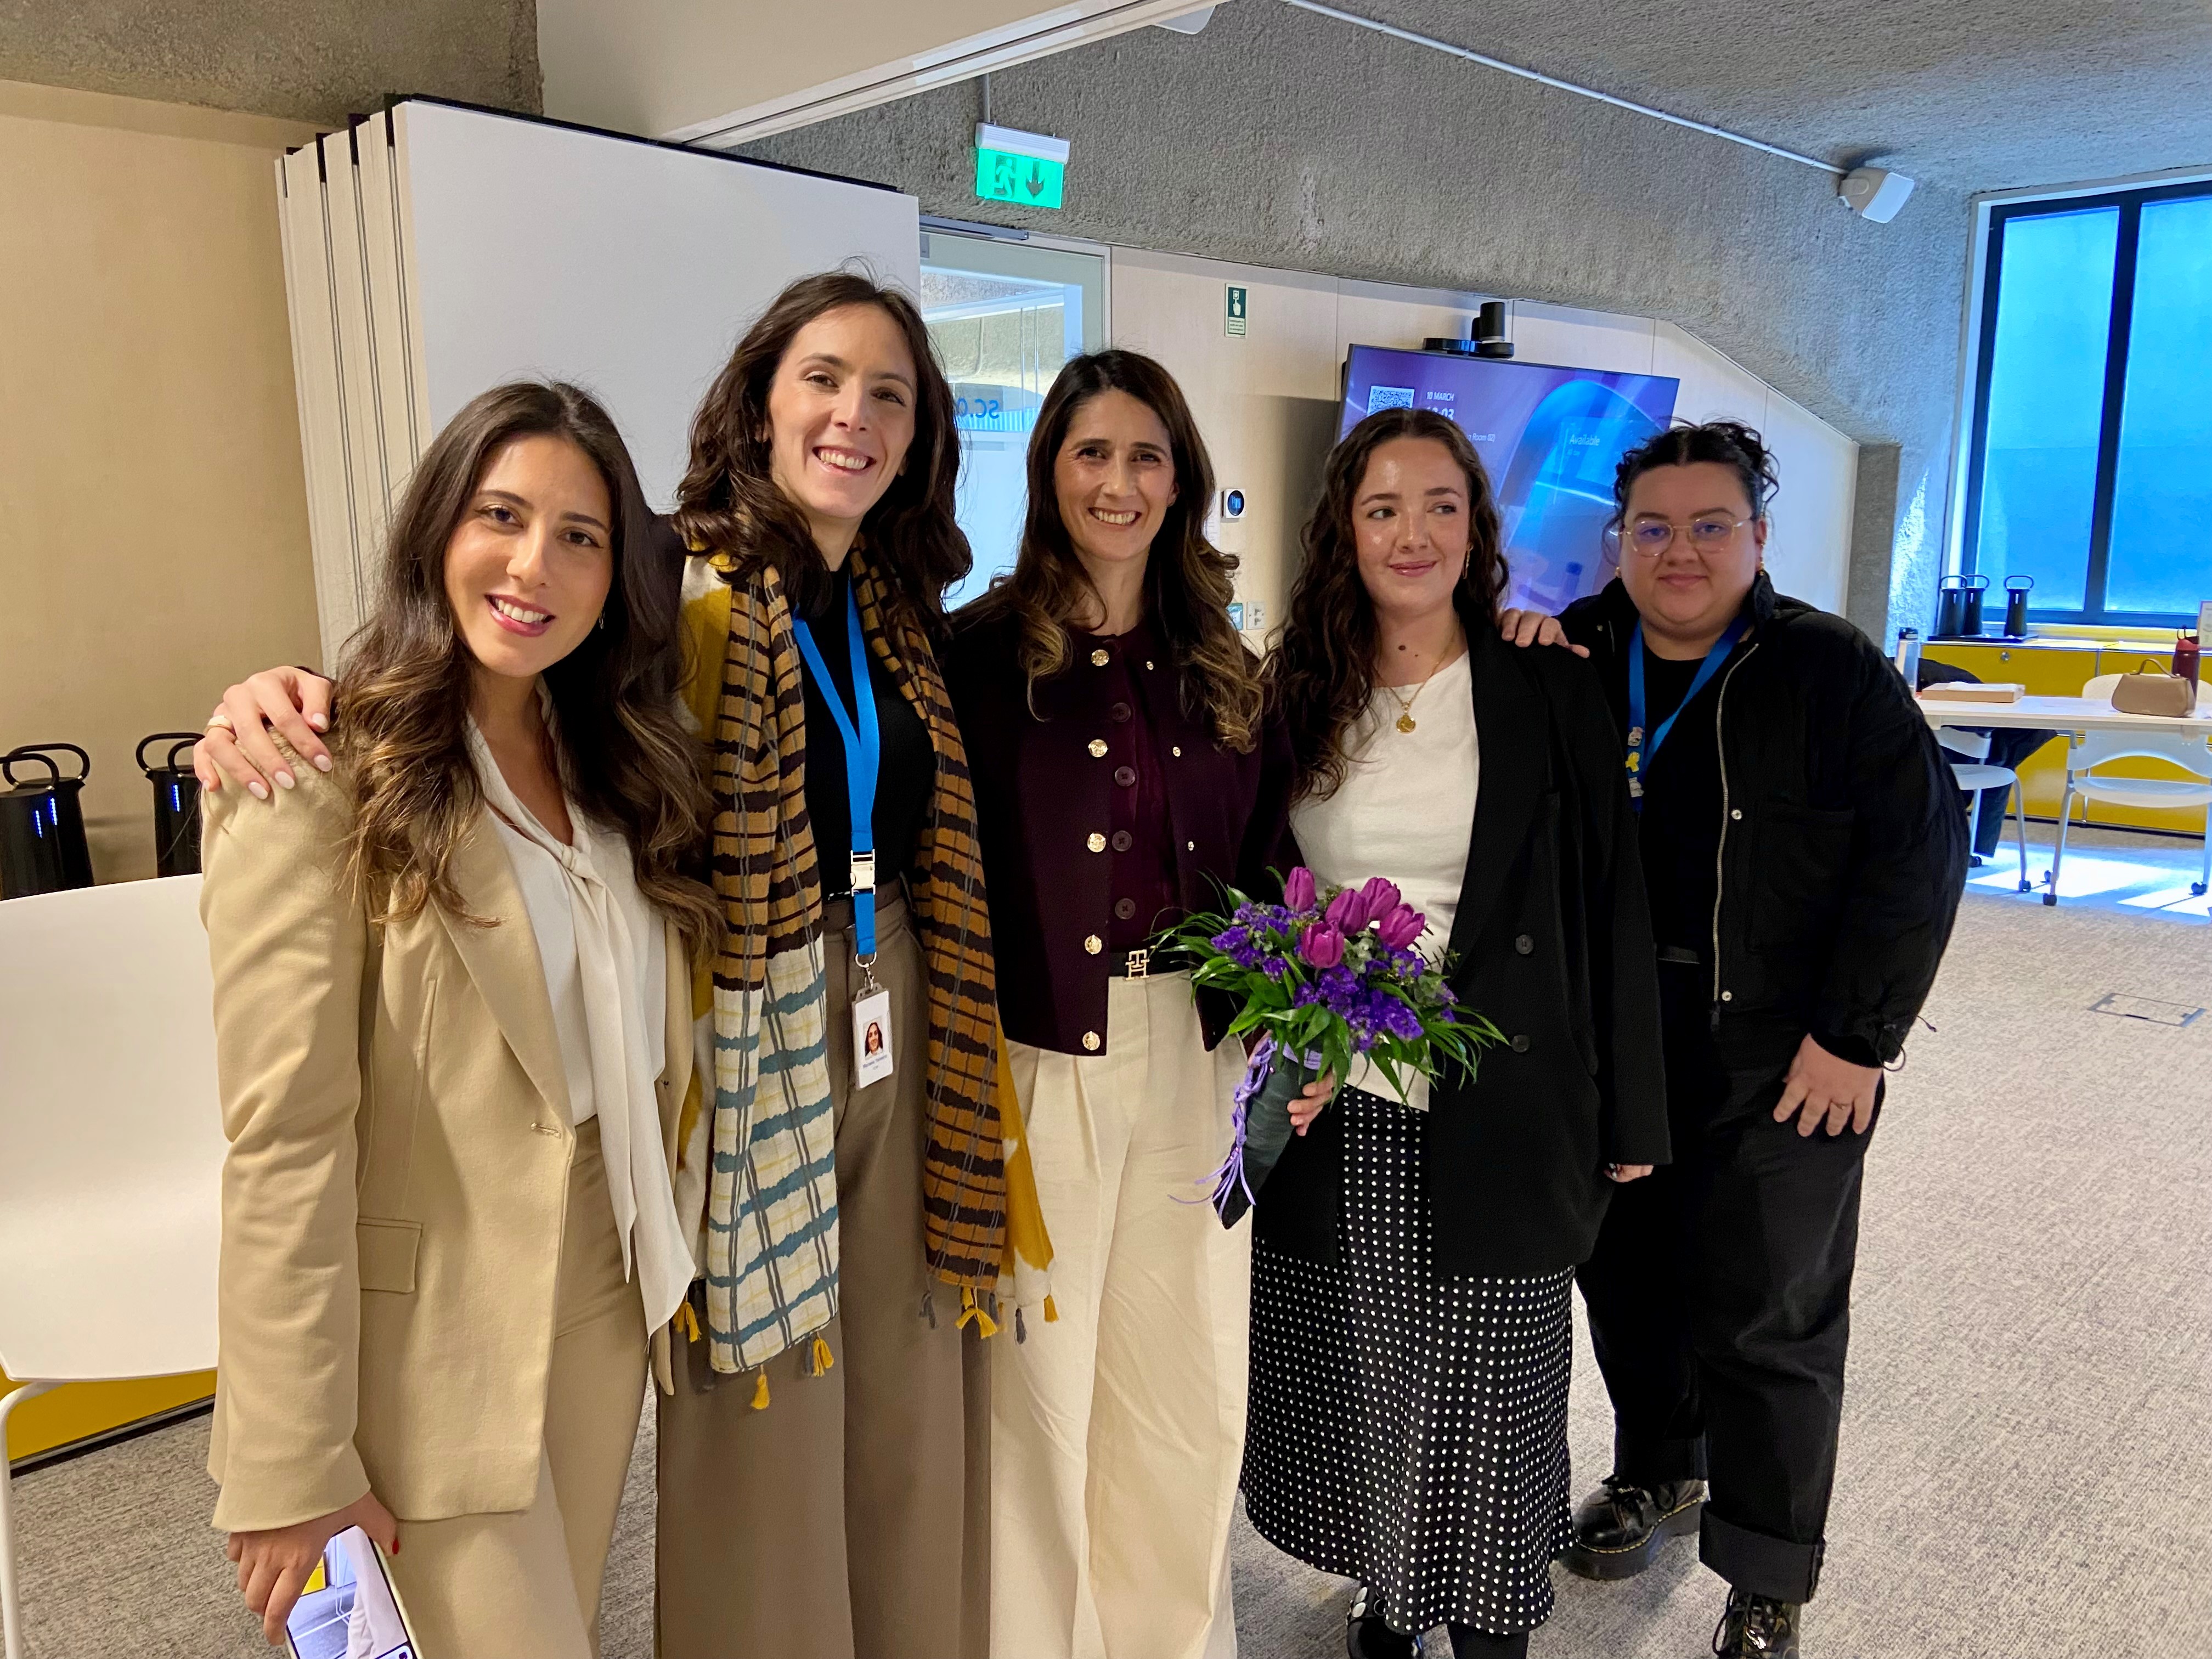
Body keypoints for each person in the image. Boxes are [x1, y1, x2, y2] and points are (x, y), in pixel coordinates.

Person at [193, 271, 1048, 1659]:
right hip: (733, 1058)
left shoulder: (887, 619)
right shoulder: (682, 601)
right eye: (823, 378)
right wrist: (268, 696)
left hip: (815, 1076)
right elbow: (285, 1127)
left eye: (892, 392)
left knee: (891, 1407)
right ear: (759, 400)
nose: (855, 415)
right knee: (747, 1446)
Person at [201, 381, 718, 1657]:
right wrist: (288, 1456)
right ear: (438, 529)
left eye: (580, 535)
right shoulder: (316, 770)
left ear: (616, 576)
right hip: (427, 1327)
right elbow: (285, 1135)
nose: (534, 563)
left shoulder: (616, 762)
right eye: (502, 515)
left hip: (606, 1280)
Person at [1501, 420, 1966, 1658]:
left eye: (1712, 525)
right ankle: (1660, 1466)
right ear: (1618, 542)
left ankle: (1769, 1574)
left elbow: (1920, 858)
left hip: (1786, 1056)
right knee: (1630, 1282)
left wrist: (1857, 1040)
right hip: (1615, 1052)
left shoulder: (1830, 670)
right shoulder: (1575, 656)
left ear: (1758, 536)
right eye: (1654, 527)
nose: (1682, 551)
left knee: (1771, 1313)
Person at [1245, 407, 1669, 1659]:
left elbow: (1614, 900)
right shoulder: (1299, 693)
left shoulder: (1546, 684)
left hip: (1508, 1094)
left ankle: (1487, 1631)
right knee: (1371, 1375)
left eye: (1440, 505)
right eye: (1384, 508)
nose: (1412, 532)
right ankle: (1392, 1592)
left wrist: (1636, 1108)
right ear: (1345, 531)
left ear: (1477, 527)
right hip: (1342, 1100)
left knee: (1492, 1391)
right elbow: (1258, 880)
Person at [943, 351, 1296, 1659]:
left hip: (1198, 1061)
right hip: (1035, 1060)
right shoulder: (977, 660)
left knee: (1187, 1377)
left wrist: (1293, 1026)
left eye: (1146, 456)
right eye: (1092, 453)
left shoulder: (1220, 659)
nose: (1119, 481)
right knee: (1041, 1390)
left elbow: (1267, 859)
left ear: (1182, 480)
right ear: (1048, 473)